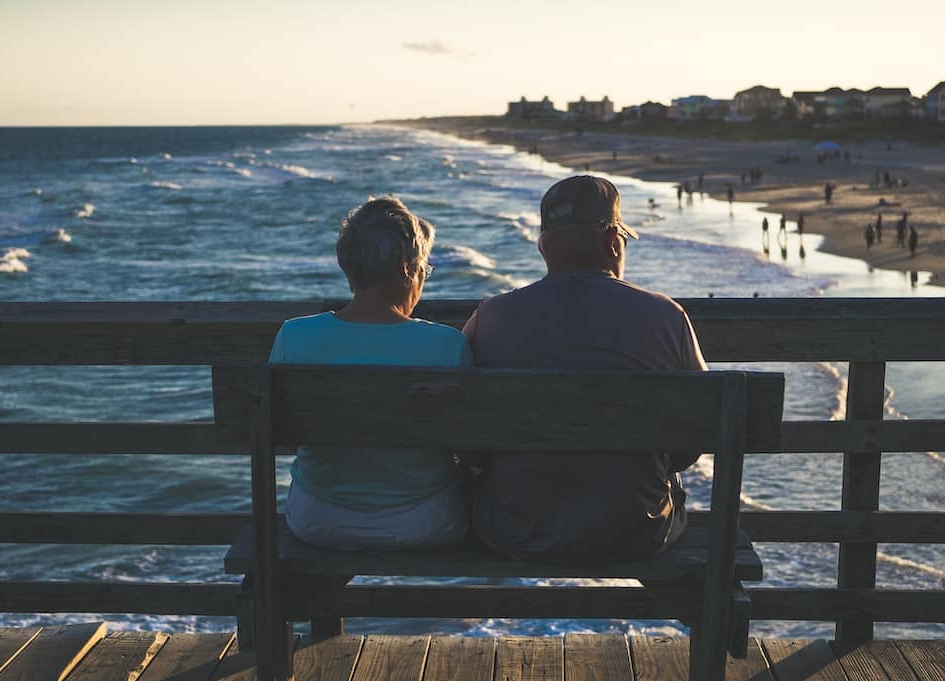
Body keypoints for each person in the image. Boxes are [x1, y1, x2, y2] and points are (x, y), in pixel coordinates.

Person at [463, 175, 707, 561]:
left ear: (544, 248)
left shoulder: (490, 317)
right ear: (613, 243)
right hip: (637, 531)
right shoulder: (666, 316)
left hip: (516, 530)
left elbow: (466, 436)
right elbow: (698, 431)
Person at [269, 196, 470, 549]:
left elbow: (279, 435)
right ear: (407, 267)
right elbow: (470, 445)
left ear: (349, 267)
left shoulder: (293, 335)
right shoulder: (446, 345)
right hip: (424, 523)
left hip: (317, 521)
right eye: (424, 268)